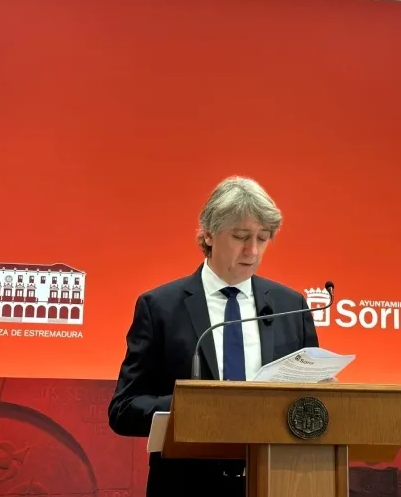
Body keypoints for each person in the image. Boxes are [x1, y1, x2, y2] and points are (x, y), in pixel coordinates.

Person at [107, 175, 321, 497]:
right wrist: (194, 406)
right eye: (240, 236)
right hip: (186, 484)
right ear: (208, 234)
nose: (253, 250)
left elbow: (312, 399)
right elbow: (123, 410)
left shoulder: (290, 306)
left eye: (263, 238)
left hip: (276, 480)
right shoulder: (160, 307)